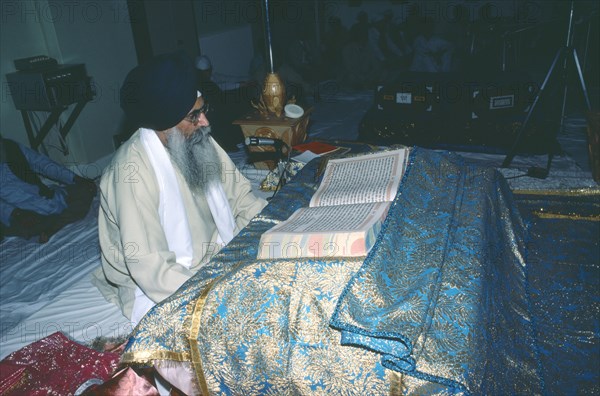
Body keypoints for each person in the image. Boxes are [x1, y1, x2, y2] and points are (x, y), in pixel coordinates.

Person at [92, 51, 267, 325]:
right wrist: (217, 294)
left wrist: (270, 231)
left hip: (216, 255)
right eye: (193, 116)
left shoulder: (196, 139)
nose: (205, 122)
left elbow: (241, 198)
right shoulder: (130, 174)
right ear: (164, 122)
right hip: (162, 282)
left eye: (203, 110)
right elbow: (151, 268)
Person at [0, 137, 96, 243]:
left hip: (46, 196)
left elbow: (43, 164)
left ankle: (53, 227)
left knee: (87, 189)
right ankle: (58, 222)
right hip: (22, 212)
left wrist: (75, 178)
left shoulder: (10, 147)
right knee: (30, 225)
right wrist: (17, 213)